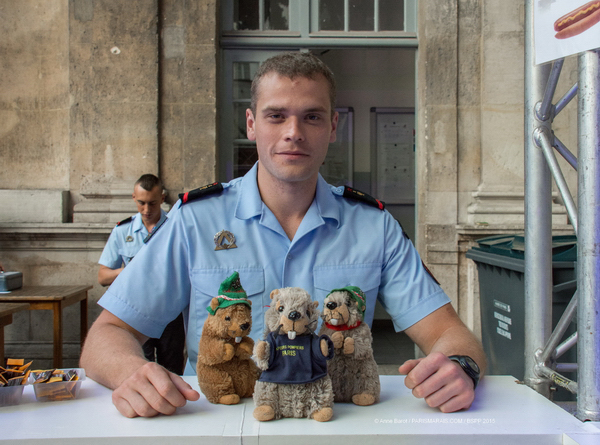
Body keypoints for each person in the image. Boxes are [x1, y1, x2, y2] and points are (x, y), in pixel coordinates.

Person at [81, 52, 486, 418]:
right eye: (276, 116)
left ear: (332, 126)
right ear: (252, 124)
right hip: (223, 425)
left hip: (333, 425)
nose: (293, 132)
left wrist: (459, 367)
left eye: (311, 116)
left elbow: (451, 335)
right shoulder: (195, 221)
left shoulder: (373, 227)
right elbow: (107, 335)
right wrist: (131, 372)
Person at [97, 173, 186, 375]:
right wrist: (130, 270)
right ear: (133, 198)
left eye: (152, 204)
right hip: (135, 311)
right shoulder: (122, 231)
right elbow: (102, 276)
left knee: (172, 369)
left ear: (162, 199)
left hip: (170, 311)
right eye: (141, 203)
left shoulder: (175, 227)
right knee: (140, 368)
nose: (146, 210)